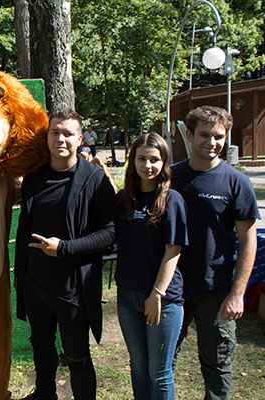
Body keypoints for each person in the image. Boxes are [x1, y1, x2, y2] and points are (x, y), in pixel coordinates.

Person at [15, 109, 116, 400]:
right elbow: (24, 229)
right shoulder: (34, 177)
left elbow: (110, 233)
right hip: (36, 285)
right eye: (55, 132)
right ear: (47, 137)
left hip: (73, 288)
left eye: (68, 133)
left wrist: (65, 248)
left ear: (80, 138)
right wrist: (21, 275)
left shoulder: (94, 179)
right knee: (41, 346)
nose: (61, 139)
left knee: (77, 356)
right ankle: (45, 394)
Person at [172, 105, 259, 400]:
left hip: (216, 290)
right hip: (173, 288)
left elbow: (248, 241)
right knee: (163, 361)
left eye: (219, 136)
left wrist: (237, 293)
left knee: (217, 363)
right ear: (189, 135)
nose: (212, 142)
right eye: (205, 135)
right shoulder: (171, 177)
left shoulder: (236, 182)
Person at [115, 133, 187, 399]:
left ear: (164, 162)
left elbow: (173, 250)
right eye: (141, 158)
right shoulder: (123, 200)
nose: (147, 165)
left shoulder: (172, 200)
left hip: (162, 300)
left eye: (154, 159)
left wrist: (156, 294)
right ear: (132, 161)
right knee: (138, 366)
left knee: (159, 372)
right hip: (127, 298)